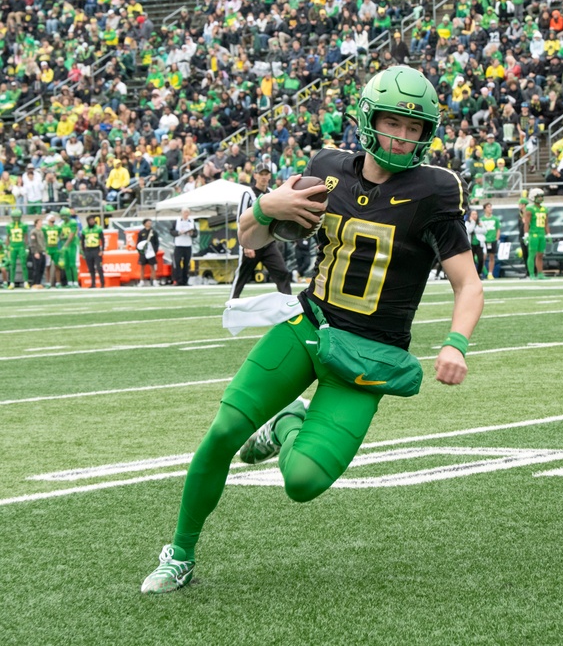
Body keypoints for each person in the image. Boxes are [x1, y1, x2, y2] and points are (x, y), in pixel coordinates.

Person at [141, 65, 484, 593]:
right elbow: (251, 238)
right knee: (223, 432)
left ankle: (285, 425)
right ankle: (180, 551)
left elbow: (468, 284)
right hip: (309, 324)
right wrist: (264, 206)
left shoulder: (434, 191)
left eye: (415, 128)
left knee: (302, 482)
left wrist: (456, 343)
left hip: (369, 356)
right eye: (394, 122)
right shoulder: (327, 169)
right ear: (370, 121)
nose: (403, 136)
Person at [230, 167, 293, 298]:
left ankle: (288, 304)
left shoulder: (272, 193)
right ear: (255, 176)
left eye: (266, 174)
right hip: (251, 242)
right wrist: (245, 245)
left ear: (270, 176)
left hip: (268, 242)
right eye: (261, 174)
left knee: (282, 272)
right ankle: (232, 302)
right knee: (242, 275)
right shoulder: (248, 193)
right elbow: (240, 220)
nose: (264, 177)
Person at [524, 188, 550, 279]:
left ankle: (540, 273)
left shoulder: (544, 208)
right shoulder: (530, 208)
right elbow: (527, 222)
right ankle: (531, 274)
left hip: (541, 233)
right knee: (532, 254)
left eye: (541, 196)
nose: (540, 198)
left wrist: (548, 234)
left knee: (540, 254)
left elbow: (546, 223)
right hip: (533, 234)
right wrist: (526, 234)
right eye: (538, 196)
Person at [171, 207, 197, 286]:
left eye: (187, 213)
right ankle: (178, 280)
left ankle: (185, 280)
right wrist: (179, 233)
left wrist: (191, 233)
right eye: (185, 212)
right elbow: (171, 231)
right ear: (182, 213)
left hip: (187, 244)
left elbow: (195, 233)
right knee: (177, 262)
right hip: (179, 244)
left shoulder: (191, 221)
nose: (186, 214)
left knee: (187, 263)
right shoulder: (177, 221)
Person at [5, 208, 29, 288]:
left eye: (17, 217)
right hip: (13, 246)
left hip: (21, 246)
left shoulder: (23, 225)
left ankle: (26, 282)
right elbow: (8, 237)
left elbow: (25, 237)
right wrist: (6, 247)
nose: (16, 219)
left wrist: (26, 247)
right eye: (14, 217)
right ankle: (12, 282)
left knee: (23, 264)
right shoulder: (9, 226)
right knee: (12, 265)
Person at [81, 214, 105, 288]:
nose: (92, 221)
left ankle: (102, 283)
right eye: (90, 220)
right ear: (87, 221)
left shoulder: (98, 228)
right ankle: (93, 284)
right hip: (88, 250)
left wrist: (102, 250)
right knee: (91, 268)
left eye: (93, 220)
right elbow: (82, 241)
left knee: (99, 268)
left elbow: (103, 239)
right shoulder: (84, 230)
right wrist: (84, 251)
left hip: (96, 249)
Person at [58, 208, 80, 288]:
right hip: (65, 244)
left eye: (65, 215)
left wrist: (65, 245)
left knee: (72, 264)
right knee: (66, 264)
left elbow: (71, 235)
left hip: (72, 244)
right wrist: (61, 237)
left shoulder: (73, 222)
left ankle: (76, 282)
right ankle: (70, 282)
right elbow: (61, 235)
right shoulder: (62, 224)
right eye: (62, 216)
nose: (63, 217)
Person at [136, 219, 160, 287]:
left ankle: (154, 281)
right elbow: (138, 242)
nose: (149, 223)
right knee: (142, 267)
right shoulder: (141, 232)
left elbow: (156, 242)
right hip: (143, 252)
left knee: (152, 267)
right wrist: (140, 251)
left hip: (151, 252)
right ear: (144, 223)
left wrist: (154, 251)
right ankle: (141, 281)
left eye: (150, 222)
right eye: (148, 222)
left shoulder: (154, 232)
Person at [479, 202, 500, 279]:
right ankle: (484, 272)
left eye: (491, 207)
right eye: (488, 207)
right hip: (484, 241)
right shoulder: (481, 219)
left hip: (492, 240)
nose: (490, 208)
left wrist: (497, 238)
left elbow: (498, 229)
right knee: (482, 258)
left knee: (492, 257)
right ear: (484, 209)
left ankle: (490, 273)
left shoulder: (495, 219)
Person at [43, 214, 62, 288]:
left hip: (55, 248)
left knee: (57, 266)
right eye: (52, 218)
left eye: (54, 218)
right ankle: (48, 283)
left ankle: (58, 282)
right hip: (48, 248)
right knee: (48, 266)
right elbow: (43, 239)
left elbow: (60, 236)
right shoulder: (45, 228)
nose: (53, 219)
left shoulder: (57, 227)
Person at [465, 208, 486, 276]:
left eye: (475, 214)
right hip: (470, 244)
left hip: (479, 243)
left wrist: (476, 229)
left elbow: (484, 231)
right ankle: (472, 275)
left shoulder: (480, 221)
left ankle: (479, 273)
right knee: (471, 261)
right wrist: (473, 223)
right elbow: (469, 231)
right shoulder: (467, 222)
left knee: (481, 259)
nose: (474, 216)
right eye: (473, 214)